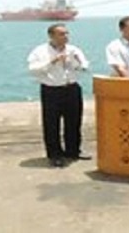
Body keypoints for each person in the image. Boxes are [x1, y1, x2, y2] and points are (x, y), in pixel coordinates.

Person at [28, 24, 90, 168]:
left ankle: (73, 150)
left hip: (71, 88)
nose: (65, 37)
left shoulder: (73, 50)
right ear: (51, 36)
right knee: (51, 123)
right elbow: (33, 70)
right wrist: (52, 61)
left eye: (67, 33)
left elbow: (84, 66)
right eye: (61, 34)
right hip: (52, 90)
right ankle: (55, 154)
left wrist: (77, 62)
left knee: (74, 121)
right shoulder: (40, 51)